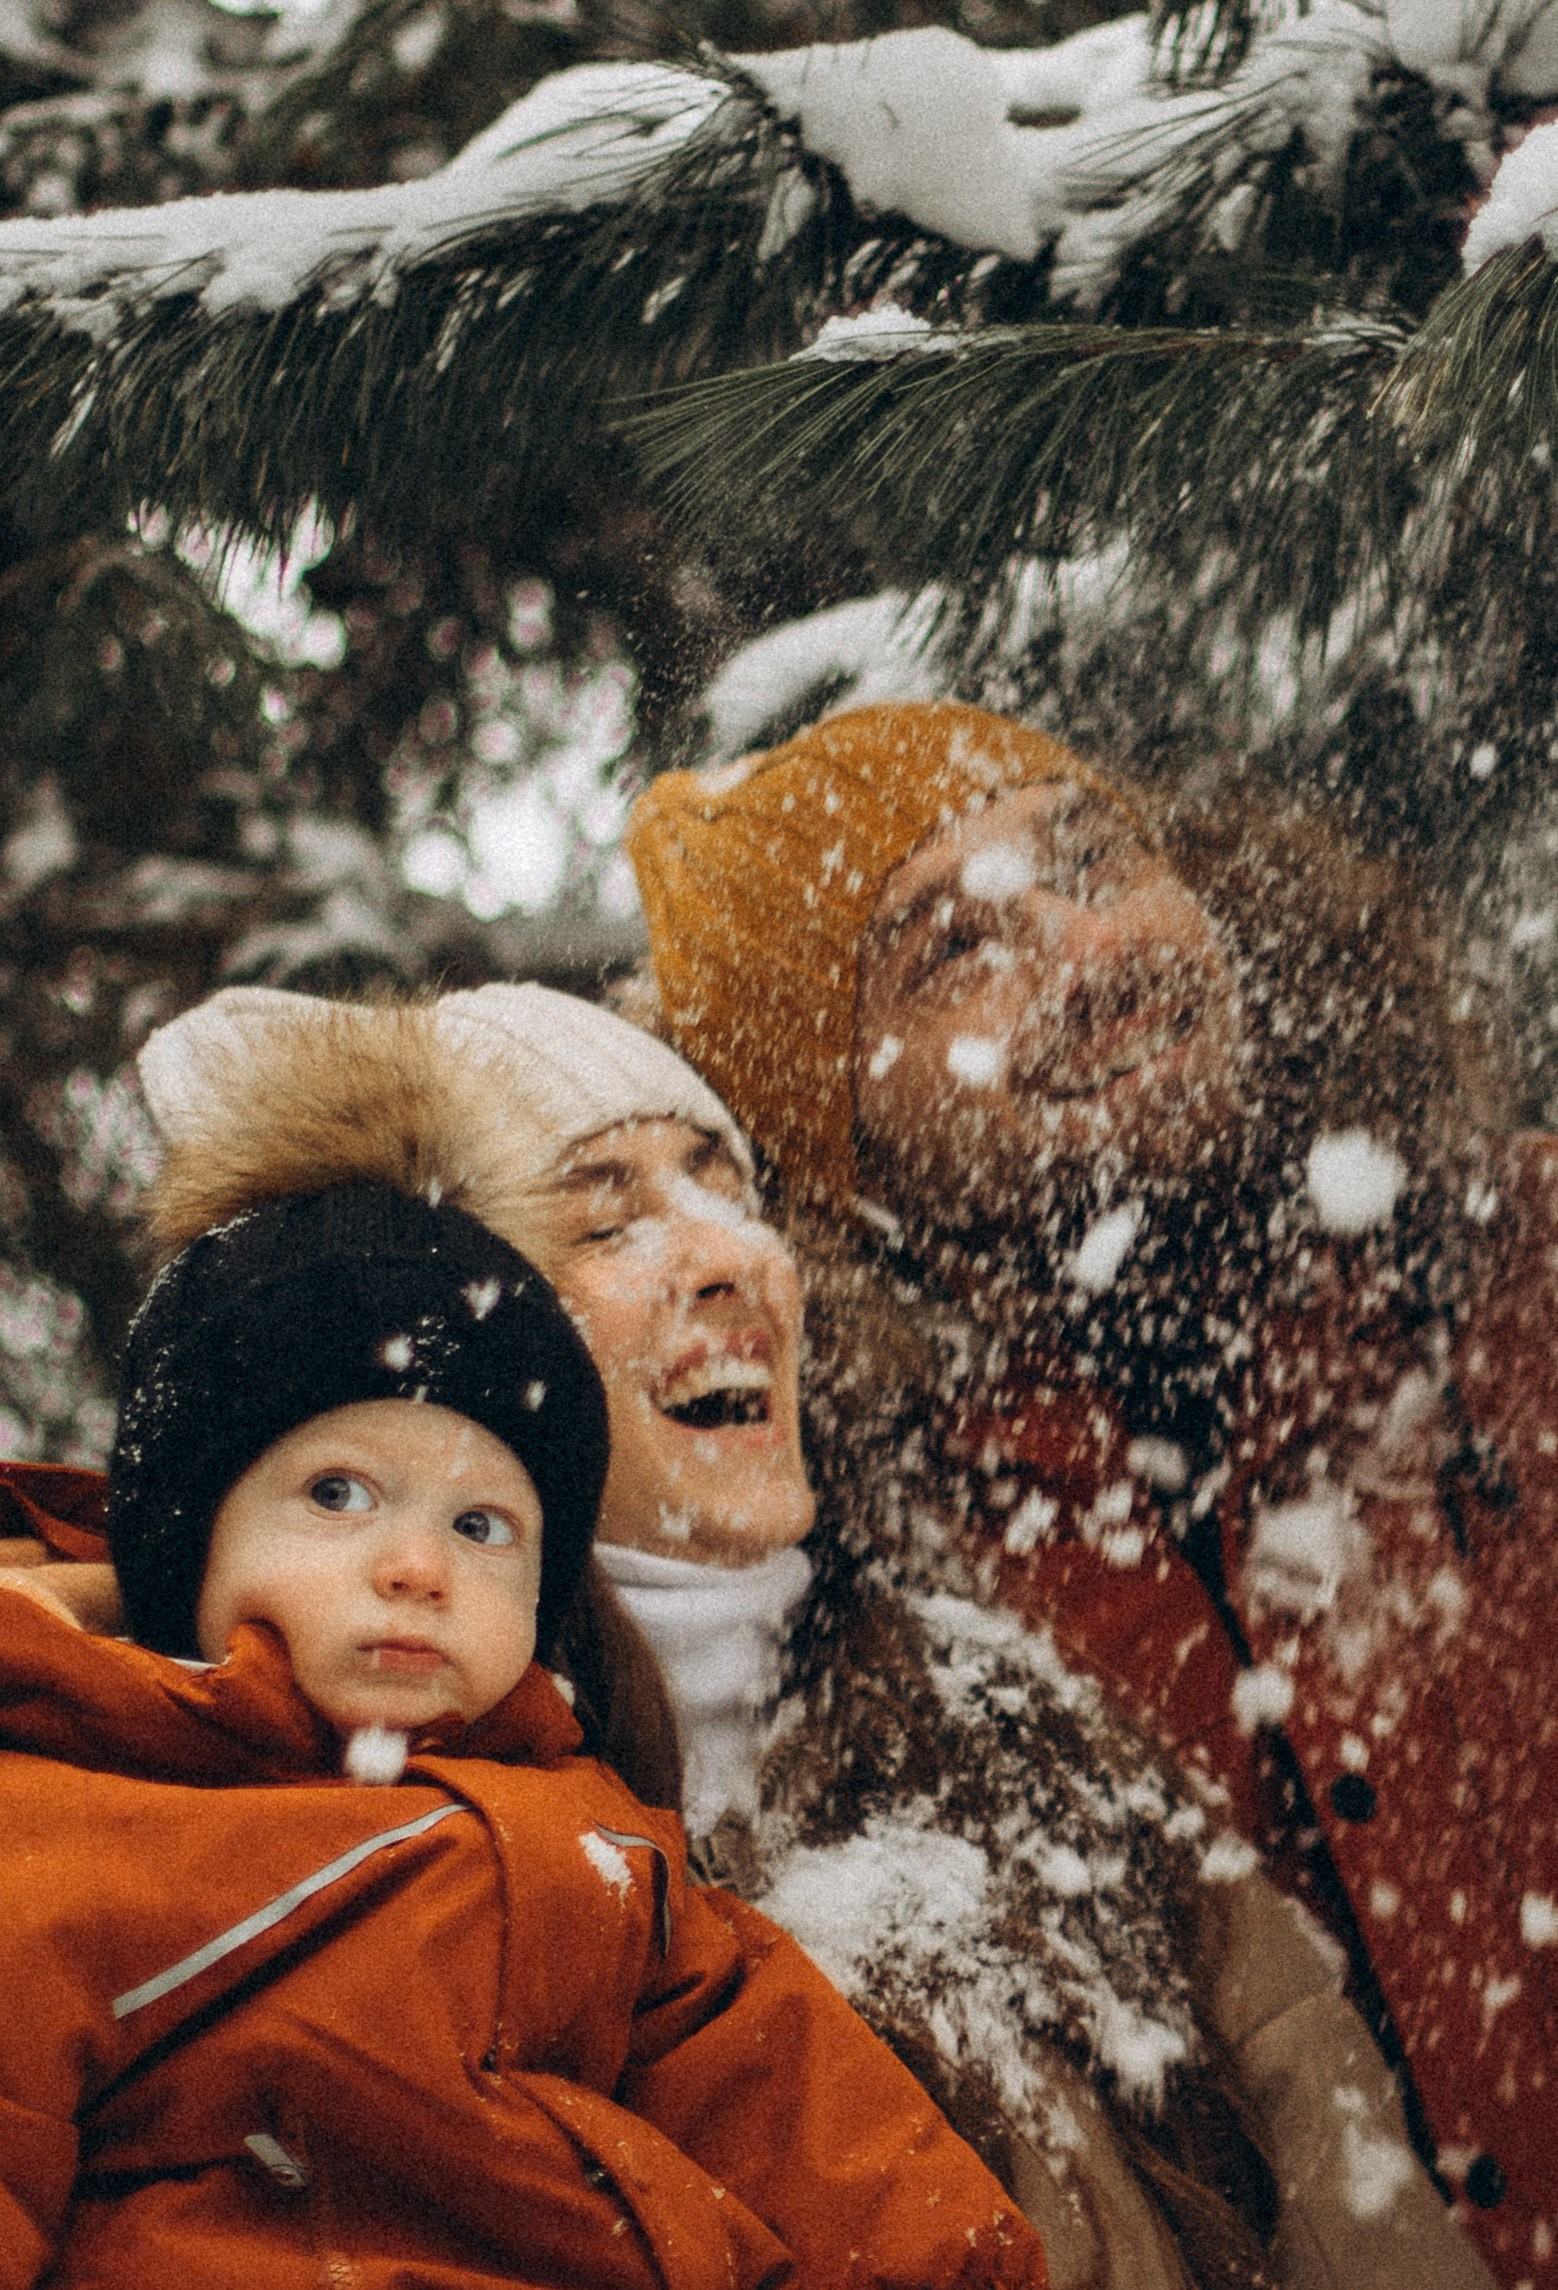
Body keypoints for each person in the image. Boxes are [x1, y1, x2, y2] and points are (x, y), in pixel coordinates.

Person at [2, 981, 1496, 2289]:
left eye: (730, 1187)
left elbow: (1354, 2210)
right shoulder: (216, 1790)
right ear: (450, 1339)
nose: (727, 1254)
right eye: (604, 1215)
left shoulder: (1016, 1723)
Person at [625, 698, 1558, 2290]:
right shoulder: (858, 1600)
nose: (1095, 947)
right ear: (828, 1141)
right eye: (952, 948)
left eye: (1096, 860)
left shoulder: (1522, 1277)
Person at [0, 1163, 1048, 2290]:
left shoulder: (595, 1840)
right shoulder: (71, 1816)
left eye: (481, 1524)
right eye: (338, 1494)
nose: (418, 1567)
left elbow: (801, 2112)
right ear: (187, 1541)